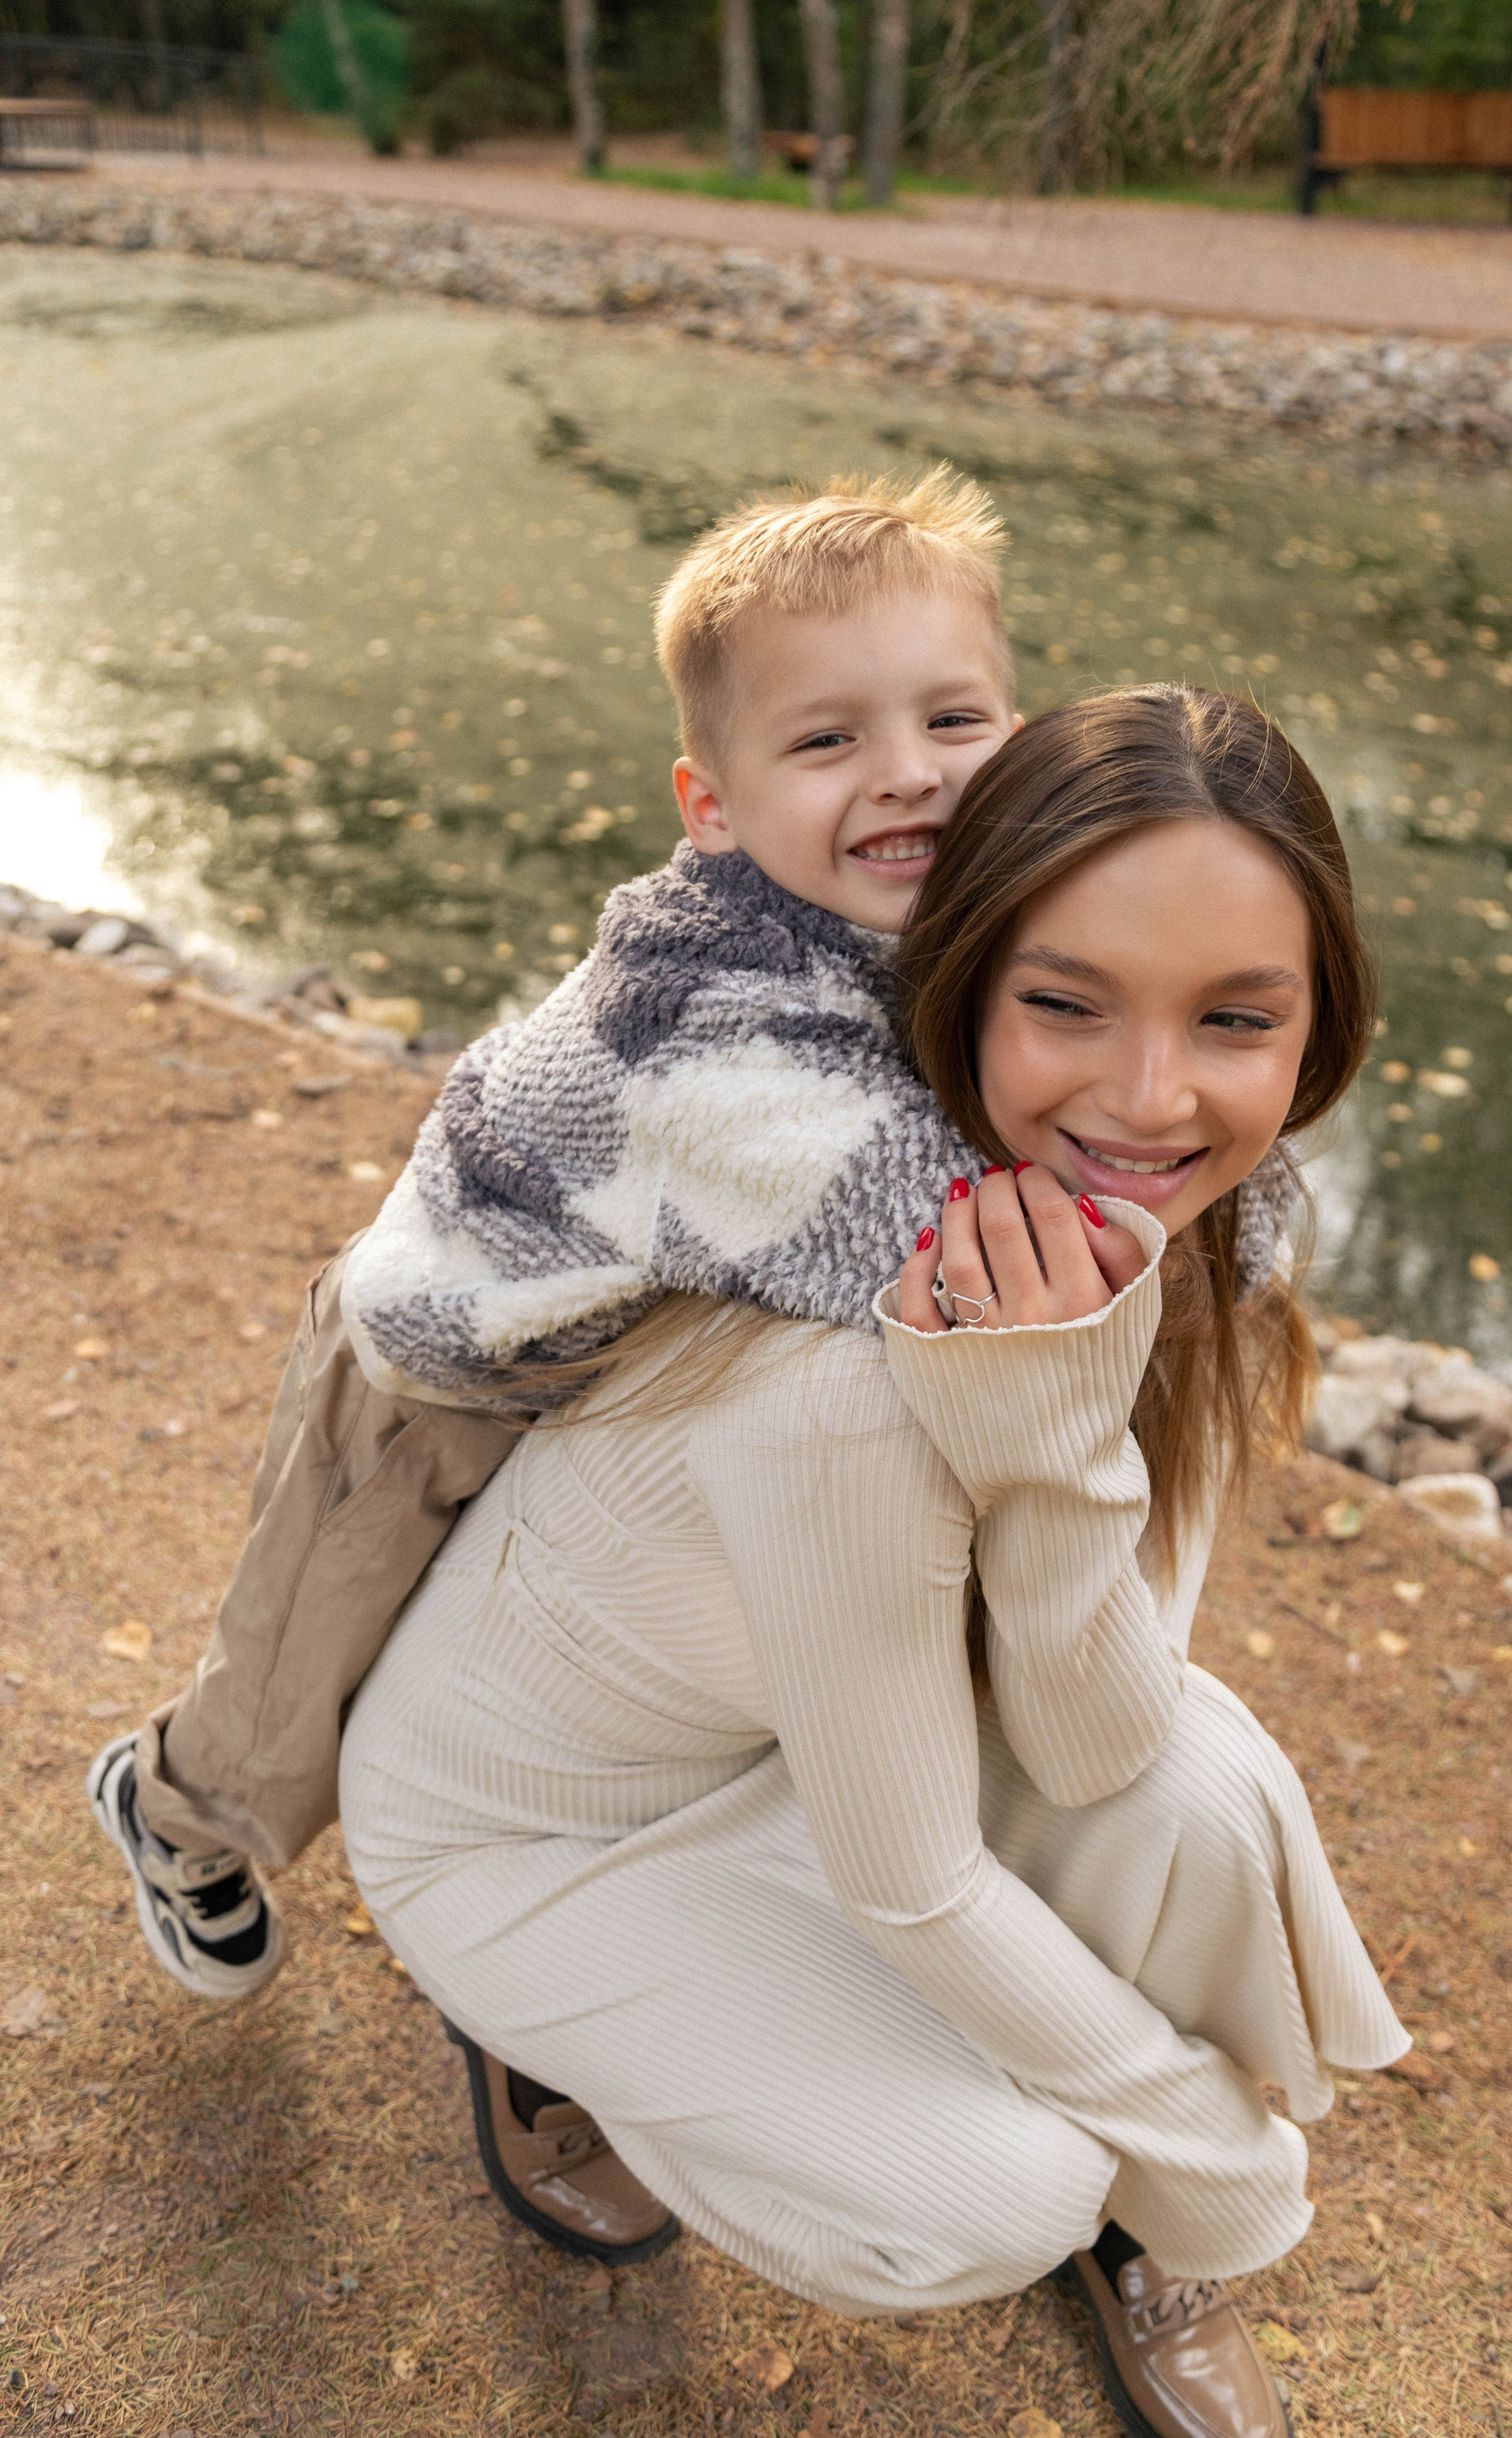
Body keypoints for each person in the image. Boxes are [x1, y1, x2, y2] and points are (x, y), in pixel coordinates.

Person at [336, 686, 1409, 2438]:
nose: (1151, 1097)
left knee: (1204, 1791)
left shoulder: (1201, 1247)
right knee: (995, 2193)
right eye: (1063, 1002)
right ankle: (558, 2031)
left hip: (806, 1748)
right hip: (548, 1825)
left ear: (1320, 1028)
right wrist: (1223, 2152)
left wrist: (1051, 1433)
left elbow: (1096, 1742)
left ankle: (1136, 2211)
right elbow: (909, 1879)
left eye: (1234, 1017)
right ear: (960, 986)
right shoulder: (841, 1362)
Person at [85, 466, 1026, 1999]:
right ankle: (178, 1809)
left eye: (954, 718)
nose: (908, 773)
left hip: (621, 1339)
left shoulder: (933, 910)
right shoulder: (699, 1016)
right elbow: (931, 1242)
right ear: (711, 808)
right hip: (445, 1351)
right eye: (826, 739)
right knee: (305, 1665)